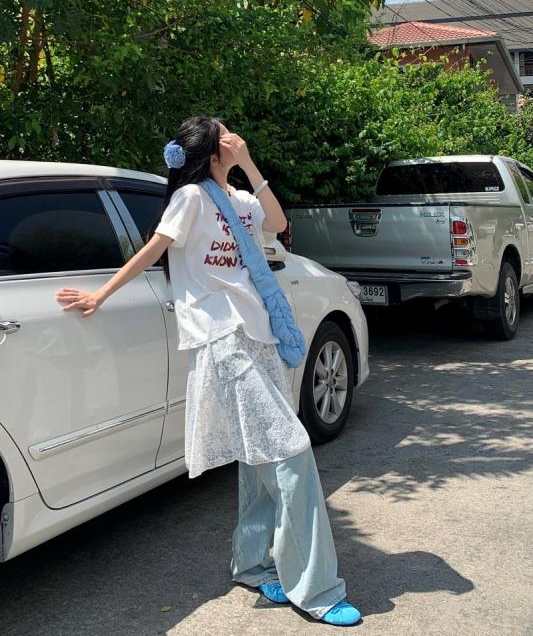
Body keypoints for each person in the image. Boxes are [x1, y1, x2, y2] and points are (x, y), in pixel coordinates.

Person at [55, 116, 361, 626]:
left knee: (259, 457)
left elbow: (276, 221)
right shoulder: (191, 198)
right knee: (291, 450)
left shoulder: (239, 200)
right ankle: (317, 589)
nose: (235, 137)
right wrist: (100, 295)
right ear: (214, 150)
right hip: (222, 340)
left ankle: (253, 563)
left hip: (259, 335)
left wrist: (249, 164)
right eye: (227, 136)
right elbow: (152, 250)